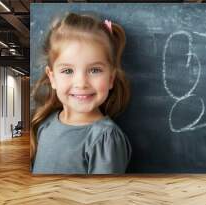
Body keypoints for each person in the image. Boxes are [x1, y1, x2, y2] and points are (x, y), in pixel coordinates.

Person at [30, 12, 131, 174]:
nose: (81, 83)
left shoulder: (104, 138)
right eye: (68, 70)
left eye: (95, 70)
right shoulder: (45, 126)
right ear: (52, 78)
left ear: (111, 78)